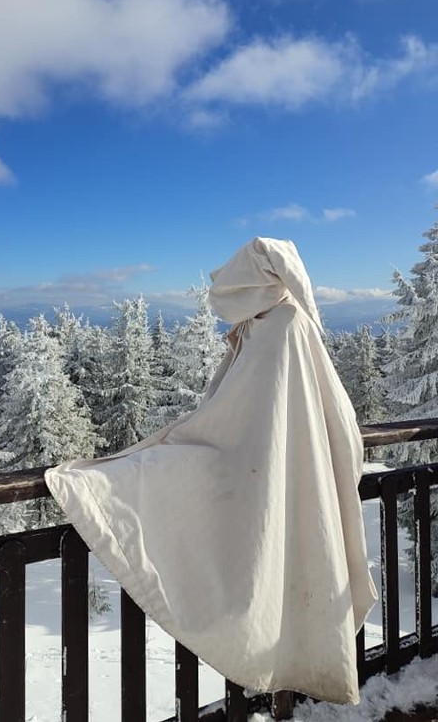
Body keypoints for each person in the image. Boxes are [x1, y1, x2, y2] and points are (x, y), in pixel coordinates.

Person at [45, 236, 377, 704]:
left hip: (278, 478)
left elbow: (239, 425)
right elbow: (305, 418)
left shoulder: (279, 329)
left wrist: (155, 460)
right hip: (296, 478)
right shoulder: (282, 323)